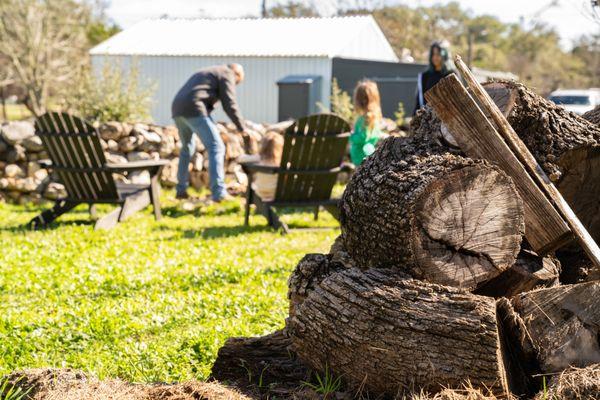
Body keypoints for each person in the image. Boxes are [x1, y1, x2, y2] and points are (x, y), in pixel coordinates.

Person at [171, 64, 246, 201]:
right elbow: (229, 103)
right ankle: (219, 193)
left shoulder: (211, 71)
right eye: (236, 82)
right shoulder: (227, 73)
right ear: (237, 74)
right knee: (216, 147)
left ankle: (180, 190)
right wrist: (242, 128)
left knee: (187, 148)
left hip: (178, 109)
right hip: (195, 108)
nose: (234, 84)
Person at [238, 131, 284, 201]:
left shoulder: (259, 158)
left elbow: (240, 158)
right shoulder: (282, 162)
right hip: (278, 192)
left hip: (261, 191)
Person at [414, 41, 455, 113]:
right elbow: (419, 101)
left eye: (438, 54)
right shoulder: (425, 76)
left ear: (445, 55)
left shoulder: (452, 75)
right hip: (428, 118)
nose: (435, 57)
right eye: (433, 54)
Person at [350, 80, 384, 165]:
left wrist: (350, 136)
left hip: (361, 157)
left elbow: (363, 138)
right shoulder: (374, 117)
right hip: (368, 155)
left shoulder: (364, 119)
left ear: (358, 101)